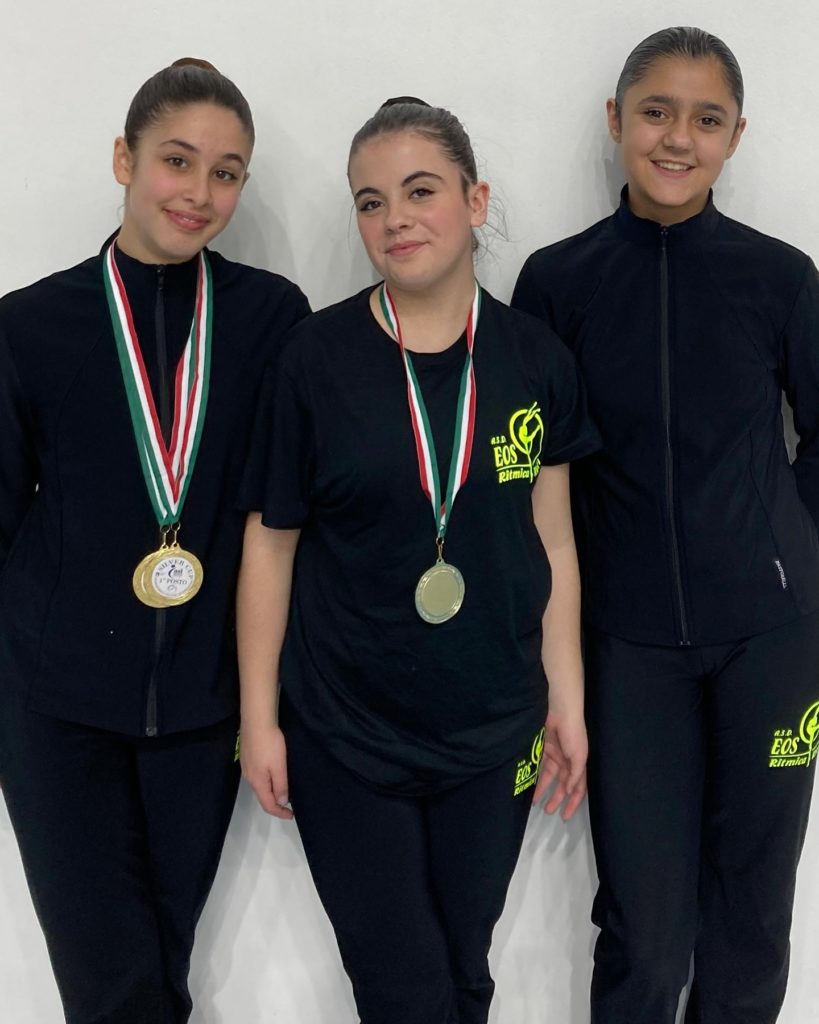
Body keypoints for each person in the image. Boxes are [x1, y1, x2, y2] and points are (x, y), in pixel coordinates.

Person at [237, 97, 600, 1024]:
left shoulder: (535, 358)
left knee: (464, 972)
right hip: (345, 731)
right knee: (402, 988)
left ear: (475, 200)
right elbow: (270, 546)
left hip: (493, 726)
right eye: (369, 201)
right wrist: (260, 719)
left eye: (419, 190)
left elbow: (554, 541)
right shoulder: (312, 359)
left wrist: (565, 700)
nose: (393, 218)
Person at [512, 25, 819, 1024]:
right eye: (656, 111)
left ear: (735, 136)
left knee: (751, 920)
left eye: (706, 118)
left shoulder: (780, 277)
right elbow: (535, 477)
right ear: (617, 119)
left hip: (769, 645)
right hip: (625, 647)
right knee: (644, 932)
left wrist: (791, 557)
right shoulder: (558, 282)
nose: (677, 137)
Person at [0, 58, 309, 1023]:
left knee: (157, 968)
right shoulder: (30, 325)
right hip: (54, 707)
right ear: (124, 159)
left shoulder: (269, 319)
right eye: (177, 160)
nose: (199, 192)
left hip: (203, 707)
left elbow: (281, 516)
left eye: (226, 172)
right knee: (112, 984)